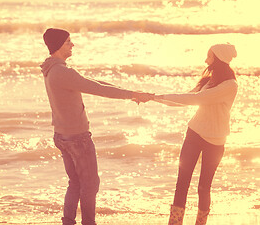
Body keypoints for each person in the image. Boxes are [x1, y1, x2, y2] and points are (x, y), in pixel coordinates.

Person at [40, 28, 151, 225]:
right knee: (90, 185)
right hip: (77, 138)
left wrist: (131, 92)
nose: (72, 44)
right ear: (58, 46)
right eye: (68, 42)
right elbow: (98, 89)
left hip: (62, 136)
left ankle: (68, 222)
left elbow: (93, 83)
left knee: (75, 183)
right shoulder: (63, 72)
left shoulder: (51, 69)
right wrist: (132, 95)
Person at [150, 44, 238, 225]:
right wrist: (155, 97)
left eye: (209, 57)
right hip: (194, 134)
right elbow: (185, 99)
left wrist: (157, 96)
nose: (206, 61)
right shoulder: (209, 81)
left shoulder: (230, 86)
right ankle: (174, 223)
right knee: (182, 183)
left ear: (219, 59)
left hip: (216, 141)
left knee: (204, 188)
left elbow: (196, 99)